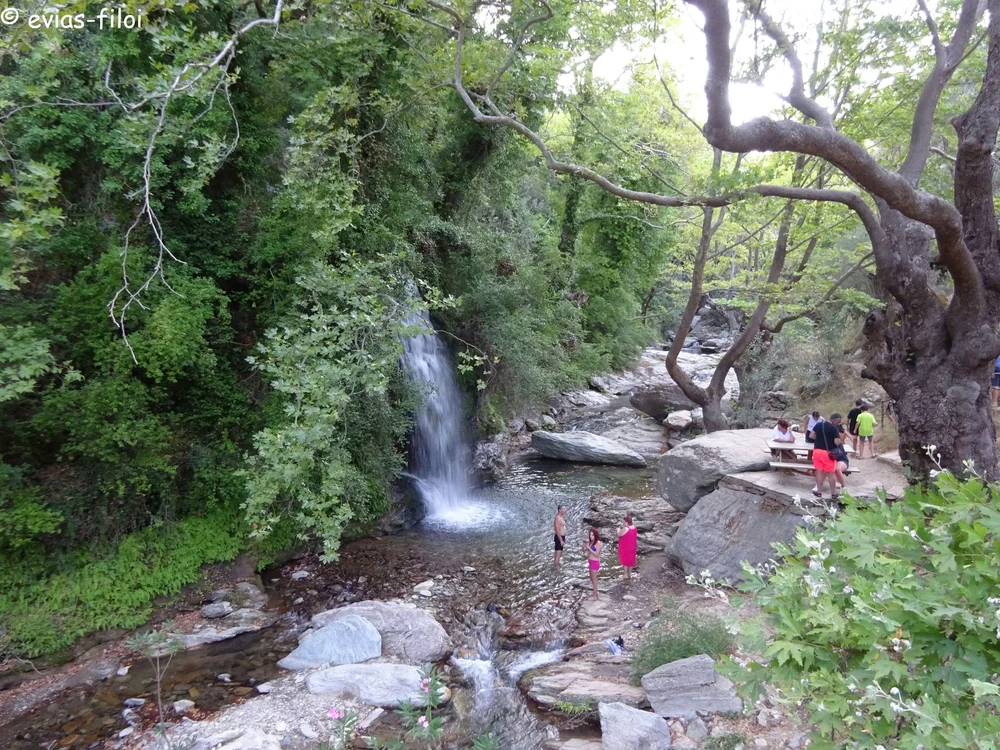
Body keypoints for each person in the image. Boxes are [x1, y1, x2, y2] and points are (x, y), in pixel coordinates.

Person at [812, 412, 843, 500]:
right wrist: (839, 442)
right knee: (831, 473)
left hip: (817, 451)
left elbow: (811, 435)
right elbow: (836, 441)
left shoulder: (818, 425)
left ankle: (819, 492)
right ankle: (833, 493)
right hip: (828, 453)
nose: (839, 422)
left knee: (819, 471)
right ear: (835, 420)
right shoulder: (834, 428)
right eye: (839, 420)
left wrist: (818, 439)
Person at [617, 515, 638, 582]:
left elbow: (619, 534)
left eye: (624, 522)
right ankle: (630, 574)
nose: (623, 523)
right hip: (633, 547)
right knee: (631, 560)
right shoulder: (634, 528)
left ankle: (625, 575)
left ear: (626, 522)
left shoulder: (626, 529)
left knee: (625, 561)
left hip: (625, 548)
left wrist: (618, 530)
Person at [585, 528, 603, 600]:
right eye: (590, 535)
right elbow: (586, 551)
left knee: (594, 579)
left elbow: (597, 554)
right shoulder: (591, 542)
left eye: (592, 535)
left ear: (596, 535)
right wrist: (585, 548)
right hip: (590, 562)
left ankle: (595, 595)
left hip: (595, 562)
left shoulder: (598, 543)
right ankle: (595, 591)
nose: (591, 536)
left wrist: (589, 548)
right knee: (591, 578)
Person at [833, 424, 850, 490]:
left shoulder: (838, 441)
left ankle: (844, 487)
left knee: (837, 469)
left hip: (842, 460)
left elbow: (840, 454)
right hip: (831, 460)